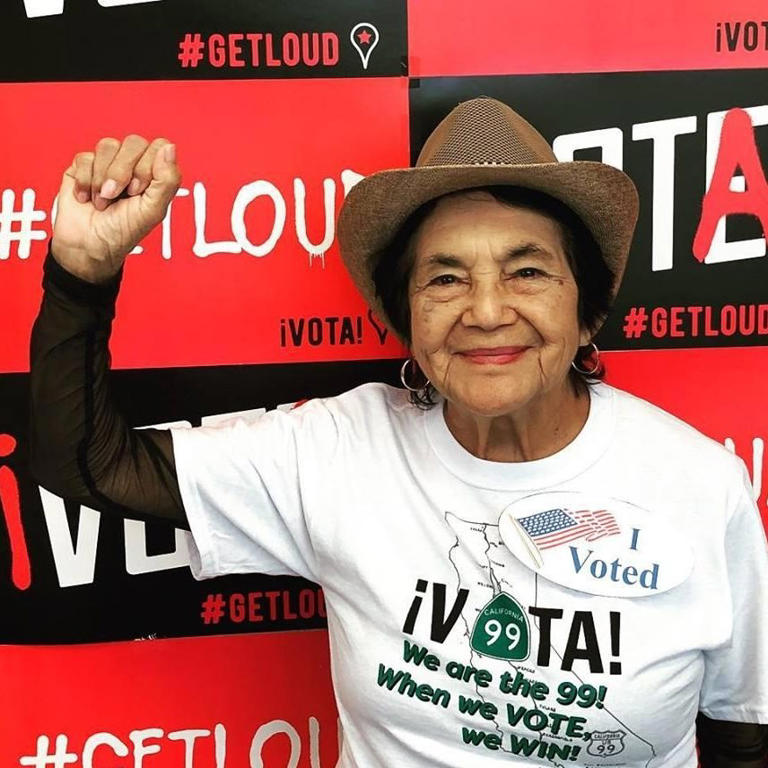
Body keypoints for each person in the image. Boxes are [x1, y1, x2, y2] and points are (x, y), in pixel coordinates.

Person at [29, 97, 767, 767]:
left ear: (589, 311)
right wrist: (80, 275)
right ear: (405, 320)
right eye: (444, 279)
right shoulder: (341, 451)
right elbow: (91, 464)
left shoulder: (699, 487)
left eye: (528, 272)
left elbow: (743, 731)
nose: (485, 311)